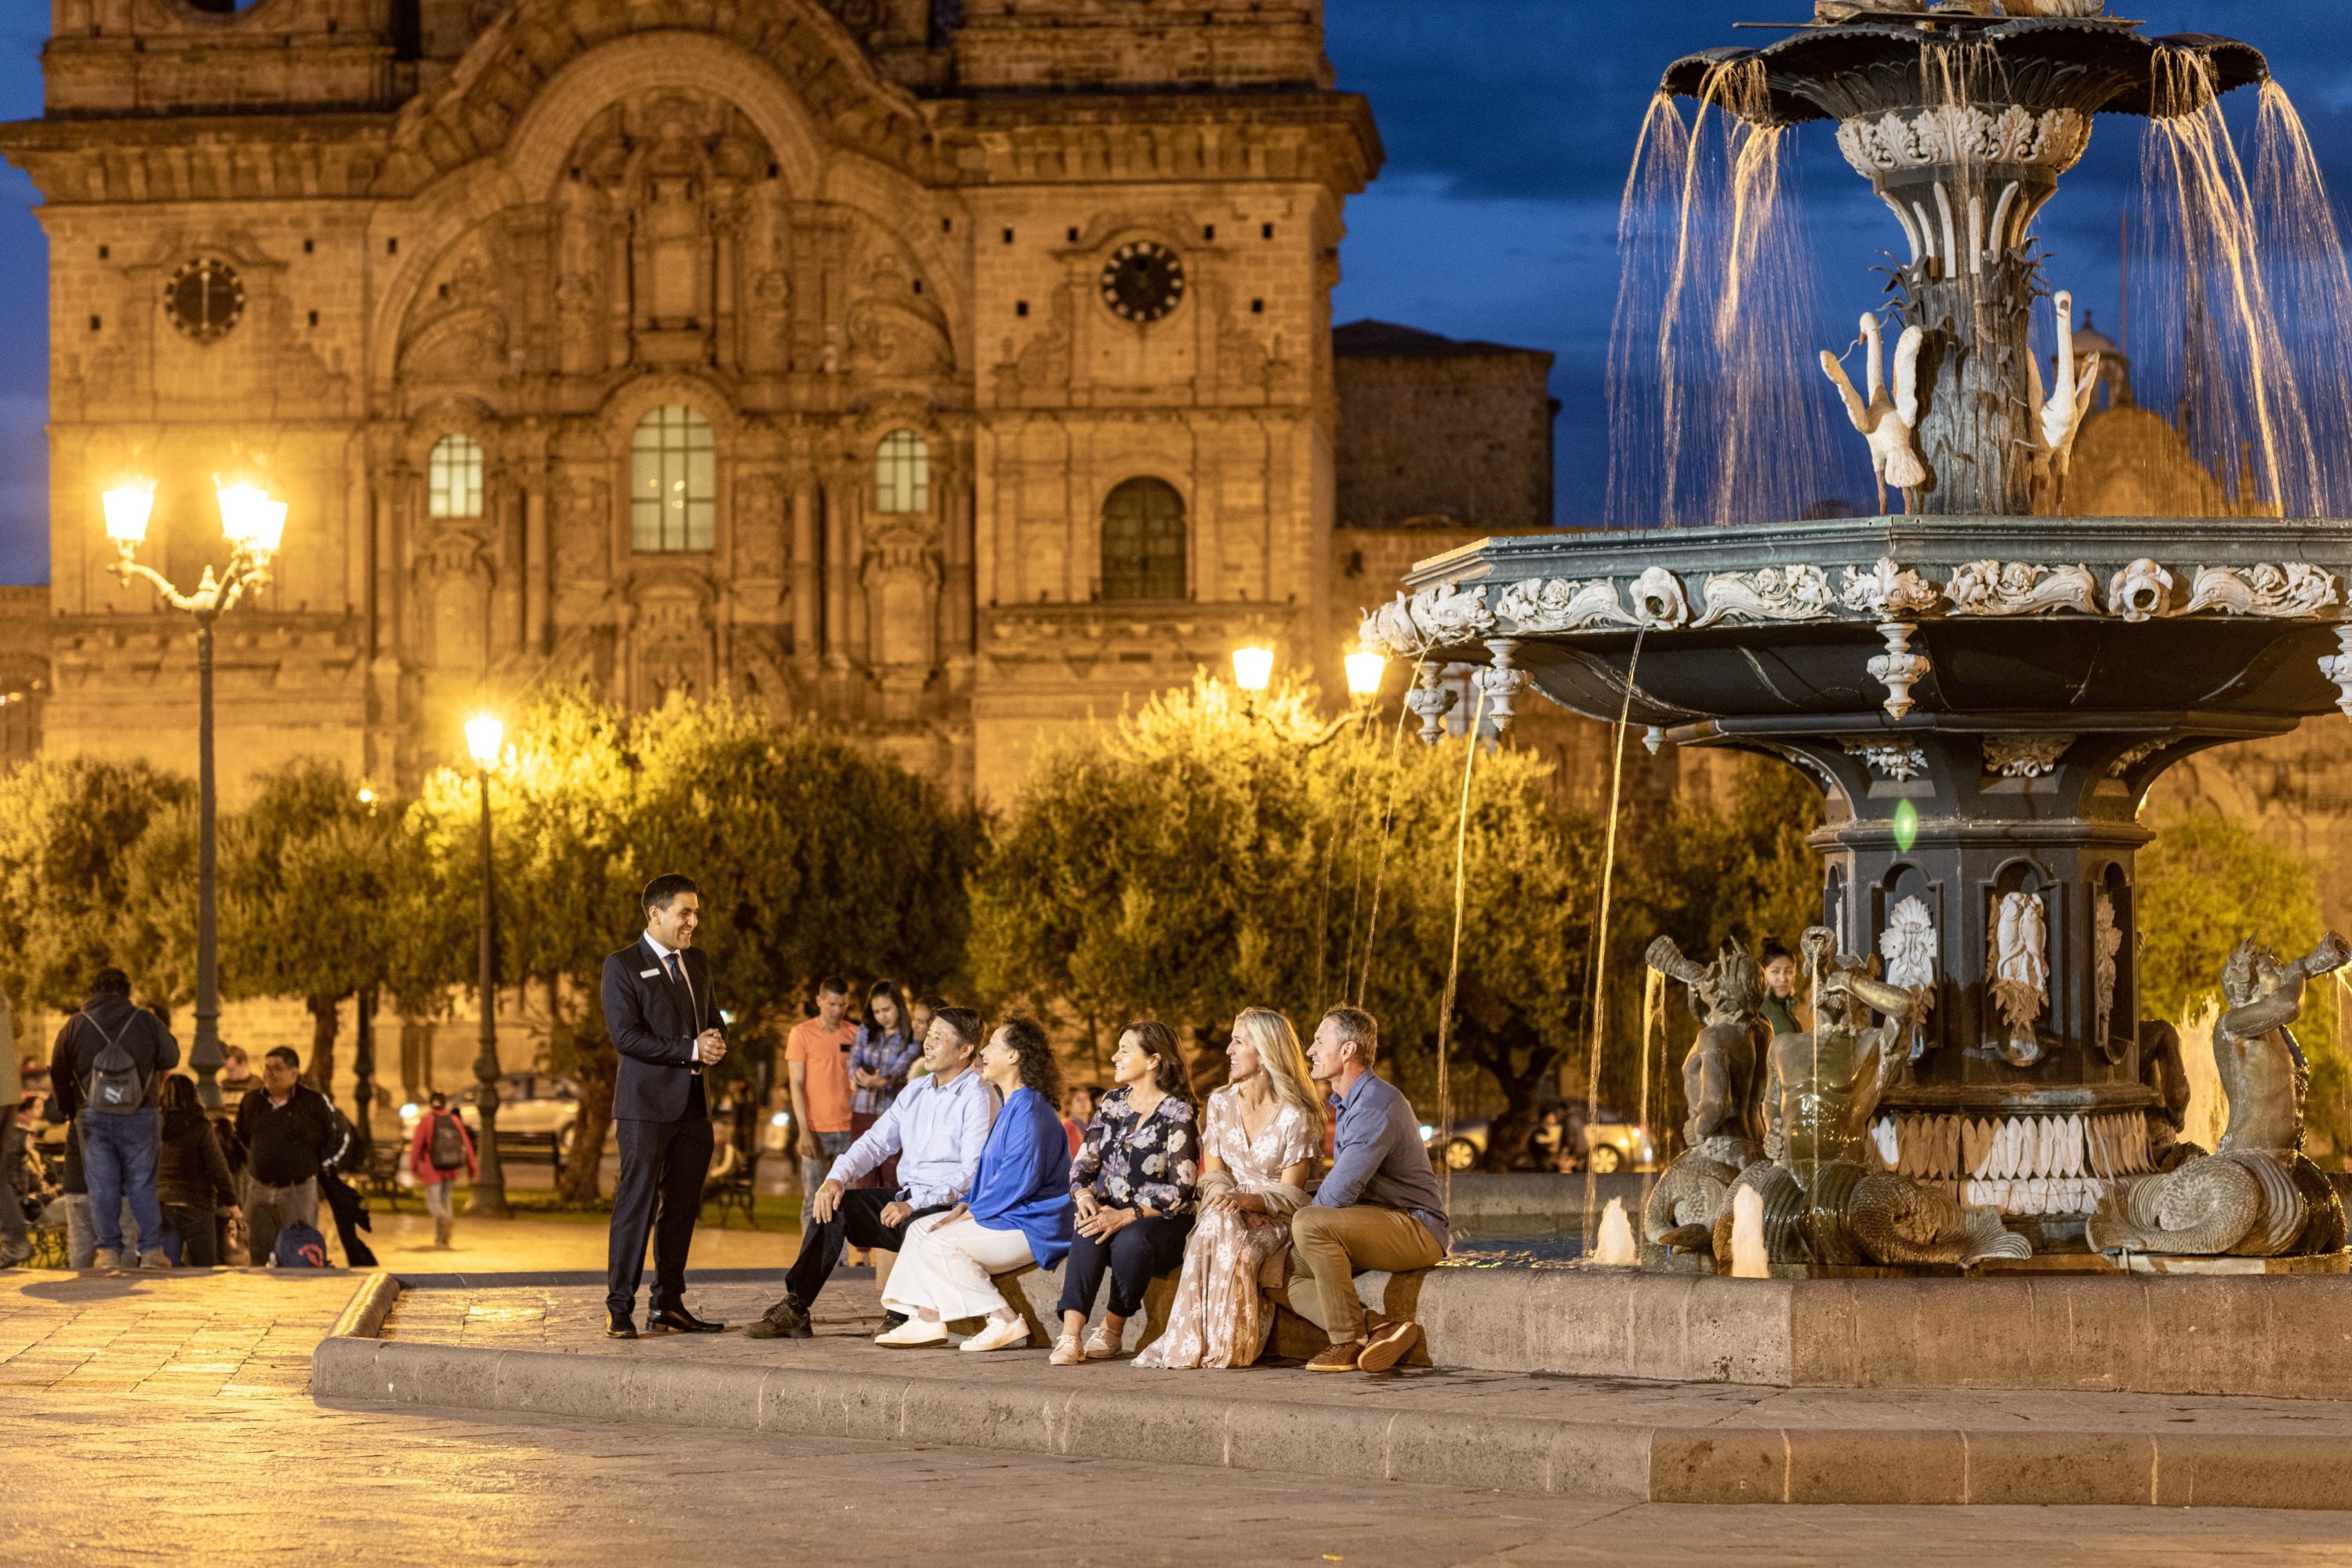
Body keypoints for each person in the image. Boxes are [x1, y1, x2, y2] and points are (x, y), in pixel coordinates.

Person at [746, 1006, 996, 1341]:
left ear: (965, 1050)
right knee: (834, 1205)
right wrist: (836, 1177)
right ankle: (796, 1307)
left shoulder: (978, 1096)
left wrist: (914, 1203)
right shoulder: (916, 1091)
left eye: (940, 1037)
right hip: (906, 1199)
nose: (928, 1043)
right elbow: (876, 1142)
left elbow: (971, 1172)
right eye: (929, 1034)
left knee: (919, 1225)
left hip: (947, 1208)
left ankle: (903, 1314)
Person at [1136, 1008, 1322, 1370]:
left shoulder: (1297, 1114)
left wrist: (1250, 1202)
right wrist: (1232, 1203)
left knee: (1222, 1229)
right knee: (1217, 1224)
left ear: (1266, 1051)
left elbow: (1292, 1197)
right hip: (1226, 1210)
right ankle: (1209, 1344)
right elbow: (1214, 1176)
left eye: (1238, 1042)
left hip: (1273, 1219)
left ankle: (1214, 1345)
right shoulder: (1220, 1103)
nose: (1228, 1050)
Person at [875, 1016, 1071, 1352]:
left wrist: (968, 1215)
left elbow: (1017, 1181)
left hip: (1033, 1223)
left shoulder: (1031, 1110)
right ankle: (927, 1318)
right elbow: (991, 1175)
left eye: (993, 1044)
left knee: (941, 1242)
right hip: (1009, 1214)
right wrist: (966, 1205)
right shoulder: (1014, 1105)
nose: (984, 1051)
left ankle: (1004, 1319)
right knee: (921, 1228)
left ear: (1014, 1056)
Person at [600, 872, 730, 1339]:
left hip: (695, 1109)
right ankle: (620, 1308)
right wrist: (692, 1050)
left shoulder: (697, 962)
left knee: (681, 1209)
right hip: (645, 1109)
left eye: (696, 912)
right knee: (635, 1205)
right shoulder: (622, 965)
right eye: (685, 912)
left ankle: (668, 1304)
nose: (693, 921)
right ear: (655, 914)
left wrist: (716, 1041)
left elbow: (713, 1018)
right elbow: (626, 1037)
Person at [1286, 1006, 1449, 1375]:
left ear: (1347, 1051)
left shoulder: (1376, 1105)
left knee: (1309, 1225)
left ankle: (1346, 1340)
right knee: (1278, 1271)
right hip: (1376, 1221)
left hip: (1415, 1228)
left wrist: (1292, 1215)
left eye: (1318, 1041)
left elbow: (1338, 1194)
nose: (1310, 1051)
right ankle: (1380, 1328)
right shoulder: (1349, 1103)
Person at [1051, 1021, 1200, 1366]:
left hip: (1163, 1220)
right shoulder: (1111, 1103)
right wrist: (1086, 1199)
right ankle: (1070, 1335)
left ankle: (1112, 1329)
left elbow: (1183, 1187)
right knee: (1088, 1227)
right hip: (1113, 1209)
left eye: (1125, 1049)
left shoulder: (1178, 1111)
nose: (1115, 1056)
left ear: (1153, 1061)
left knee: (1131, 1239)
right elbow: (1083, 1166)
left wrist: (1126, 1216)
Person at [49, 967, 180, 1271]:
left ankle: (107, 1252)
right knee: (142, 1183)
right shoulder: (146, 1021)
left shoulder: (76, 1025)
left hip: (92, 1116)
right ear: (126, 990)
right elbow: (171, 1058)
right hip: (140, 1114)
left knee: (102, 1184)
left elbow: (57, 1071)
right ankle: (150, 1251)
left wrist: (71, 1108)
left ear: (92, 991)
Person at [234, 1046, 338, 1267]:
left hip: (297, 1191)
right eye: (267, 1067)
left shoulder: (311, 1103)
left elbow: (331, 1137)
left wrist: (312, 1165)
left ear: (294, 1073)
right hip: (260, 1189)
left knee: (299, 1253)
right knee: (258, 1251)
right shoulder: (252, 1101)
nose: (269, 1074)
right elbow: (243, 1135)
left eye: (277, 1069)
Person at [785, 978, 857, 1229]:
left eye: (843, 1005)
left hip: (849, 1129)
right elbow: (795, 1084)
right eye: (832, 1004)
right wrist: (804, 1131)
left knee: (846, 1201)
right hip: (816, 1130)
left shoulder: (854, 1034)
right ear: (819, 1001)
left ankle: (844, 1263)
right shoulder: (801, 1034)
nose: (837, 1011)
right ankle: (811, 1260)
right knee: (813, 1200)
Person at [154, 1075, 238, 1267]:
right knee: (205, 1270)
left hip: (162, 1204)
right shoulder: (200, 1127)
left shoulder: (154, 1128)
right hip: (196, 1205)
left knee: (166, 1270)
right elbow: (218, 1168)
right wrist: (231, 1202)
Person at [846, 981, 920, 1191]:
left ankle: (889, 1224)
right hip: (863, 1111)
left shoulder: (911, 1037)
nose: (882, 1016)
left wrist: (883, 1080)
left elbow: (903, 1066)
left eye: (887, 1010)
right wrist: (857, 1076)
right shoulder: (865, 1031)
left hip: (894, 1115)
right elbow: (852, 1061)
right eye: (876, 1011)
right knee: (864, 1182)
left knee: (892, 1180)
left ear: (899, 1006)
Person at [407, 1091, 475, 1250]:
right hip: (451, 1169)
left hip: (433, 1169)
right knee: (445, 1200)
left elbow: (417, 1147)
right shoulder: (454, 1120)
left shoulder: (426, 1121)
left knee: (434, 1203)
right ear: (445, 1104)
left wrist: (414, 1166)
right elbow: (466, 1144)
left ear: (431, 1104)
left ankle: (445, 1220)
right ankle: (442, 1239)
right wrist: (472, 1166)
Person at [1759, 938, 1811, 1038]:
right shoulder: (1759, 1009)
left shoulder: (1787, 1007)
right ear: (1764, 974)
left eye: (1788, 972)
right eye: (1775, 971)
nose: (1783, 979)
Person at [1058, 1085, 1095, 1156]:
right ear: (1068, 1106)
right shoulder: (1065, 1127)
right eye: (1078, 1100)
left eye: (1086, 1098)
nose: (1084, 1102)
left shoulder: (1099, 1124)